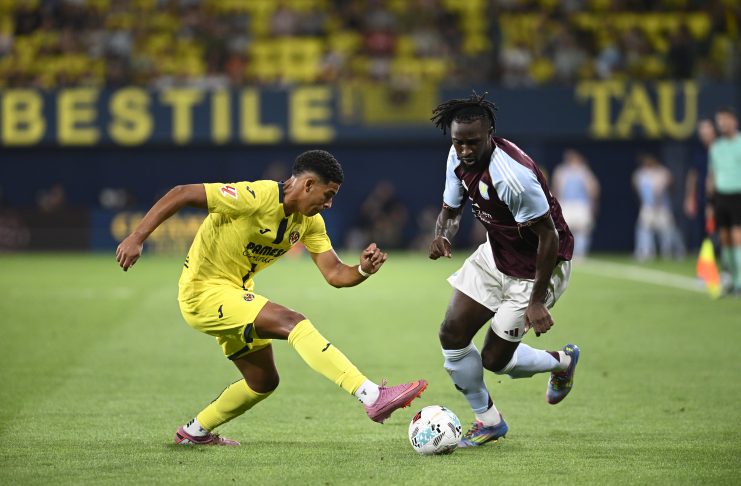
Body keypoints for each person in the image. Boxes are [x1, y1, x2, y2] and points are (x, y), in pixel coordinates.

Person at [115, 149, 427, 446]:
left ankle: (194, 431)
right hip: (202, 292)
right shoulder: (256, 196)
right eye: (328, 194)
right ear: (308, 184)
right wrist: (137, 237)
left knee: (262, 381)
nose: (329, 204)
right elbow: (181, 193)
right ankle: (371, 395)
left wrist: (362, 269)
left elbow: (335, 274)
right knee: (292, 322)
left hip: (234, 295)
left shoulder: (309, 222)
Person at [428, 93, 579, 448]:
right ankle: (489, 421)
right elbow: (451, 209)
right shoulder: (456, 156)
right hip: (496, 255)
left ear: (490, 134)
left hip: (538, 268)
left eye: (473, 142)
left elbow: (549, 237)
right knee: (451, 333)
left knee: (495, 360)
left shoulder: (512, 177)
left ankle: (561, 361)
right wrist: (443, 235)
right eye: (459, 142)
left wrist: (537, 301)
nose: (465, 150)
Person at [707, 107, 741, 295]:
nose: (723, 124)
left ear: (734, 121)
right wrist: (710, 202)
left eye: (726, 119)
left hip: (738, 194)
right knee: (725, 238)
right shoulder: (716, 148)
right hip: (721, 197)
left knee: (738, 237)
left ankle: (740, 281)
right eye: (720, 120)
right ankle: (731, 278)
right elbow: (712, 176)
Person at [632, 153, 685, 261]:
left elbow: (669, 186)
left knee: (668, 230)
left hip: (662, 207)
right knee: (644, 229)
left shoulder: (662, 172)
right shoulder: (640, 173)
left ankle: (673, 251)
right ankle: (645, 252)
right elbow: (637, 187)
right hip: (648, 206)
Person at [551, 149, 600, 259]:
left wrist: (593, 203)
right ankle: (564, 252)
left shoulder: (584, 171)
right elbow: (556, 188)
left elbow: (593, 188)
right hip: (565, 203)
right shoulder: (561, 171)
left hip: (581, 204)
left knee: (582, 229)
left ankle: (579, 253)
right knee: (563, 229)